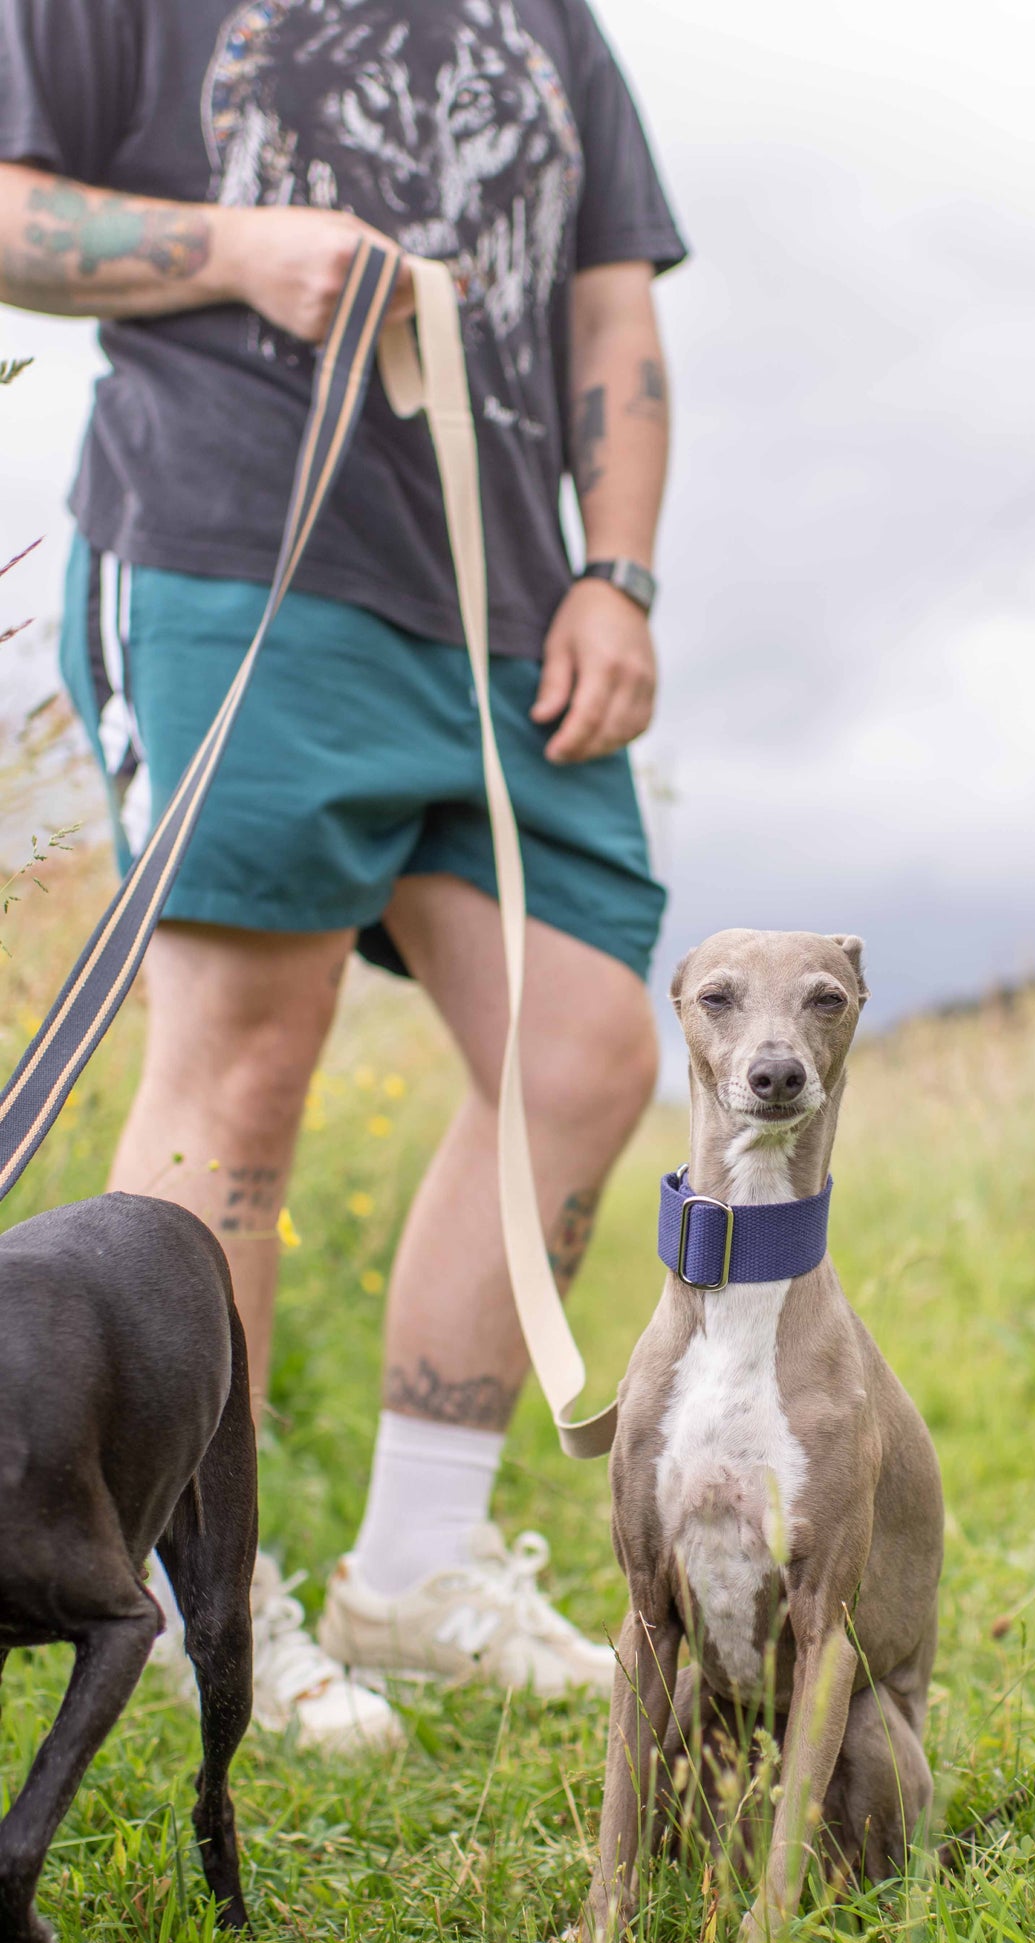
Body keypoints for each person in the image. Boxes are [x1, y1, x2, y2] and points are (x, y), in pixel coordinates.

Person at [0, 0, 684, 1748]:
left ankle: (420, 1567)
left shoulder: (546, 21)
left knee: (589, 1046)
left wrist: (618, 570)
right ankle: (188, 1590)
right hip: (241, 544)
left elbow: (610, 292)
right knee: (243, 1054)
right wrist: (234, 247)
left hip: (506, 600)